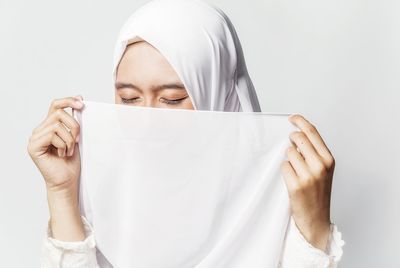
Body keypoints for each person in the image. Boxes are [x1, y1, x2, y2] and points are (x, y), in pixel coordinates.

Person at [27, 0, 344, 267]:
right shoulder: (102, 183)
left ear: (218, 92)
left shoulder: (280, 190)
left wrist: (313, 229)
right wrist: (61, 193)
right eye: (128, 98)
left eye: (172, 99)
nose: (146, 120)